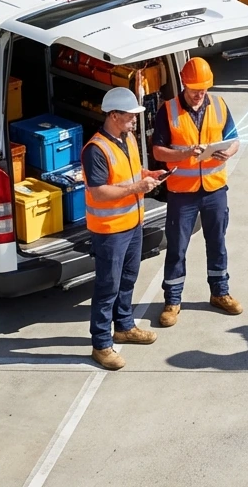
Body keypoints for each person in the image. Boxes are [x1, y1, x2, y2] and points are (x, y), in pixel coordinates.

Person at [152, 57, 243, 328]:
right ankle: (172, 300)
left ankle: (220, 292)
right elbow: (157, 151)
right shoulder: (166, 111)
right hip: (182, 193)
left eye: (203, 89)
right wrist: (181, 153)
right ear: (184, 84)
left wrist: (229, 151)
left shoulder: (219, 105)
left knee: (217, 242)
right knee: (177, 248)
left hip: (215, 189)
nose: (199, 94)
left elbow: (235, 138)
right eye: (194, 90)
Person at [81, 87, 162, 371]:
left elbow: (130, 172)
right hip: (110, 231)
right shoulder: (96, 149)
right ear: (114, 116)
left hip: (132, 224)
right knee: (107, 287)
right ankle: (101, 344)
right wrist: (137, 188)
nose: (135, 121)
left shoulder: (126, 138)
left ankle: (124, 326)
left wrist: (148, 175)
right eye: (130, 116)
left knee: (128, 278)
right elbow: (100, 191)